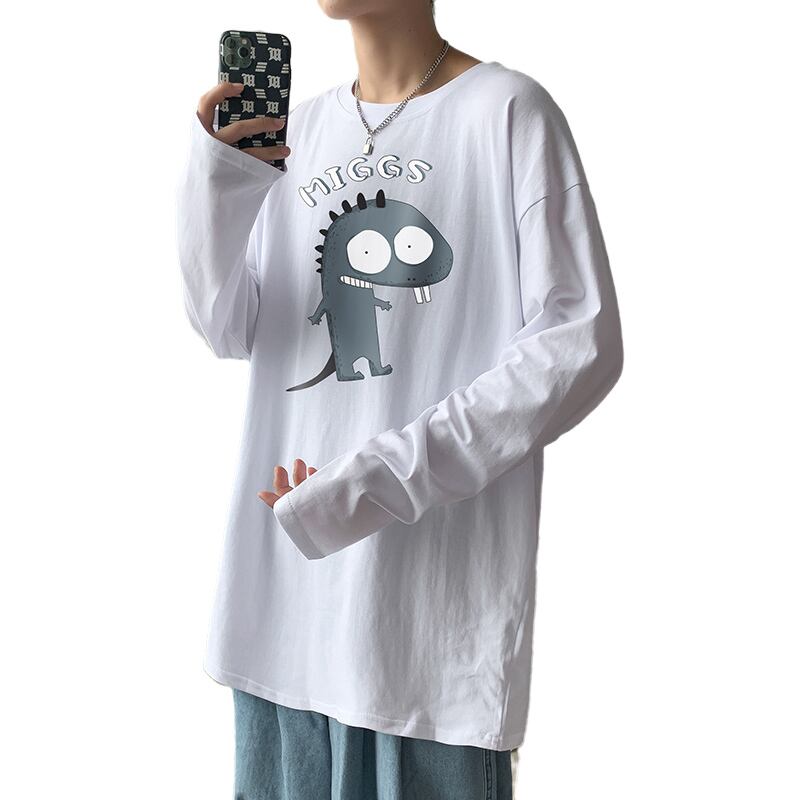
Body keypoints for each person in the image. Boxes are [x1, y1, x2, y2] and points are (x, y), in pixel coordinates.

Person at [175, 0, 623, 796]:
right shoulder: (297, 132)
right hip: (282, 621)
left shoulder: (508, 112)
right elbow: (229, 326)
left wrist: (377, 479)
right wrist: (218, 182)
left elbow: (578, 345)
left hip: (426, 644)